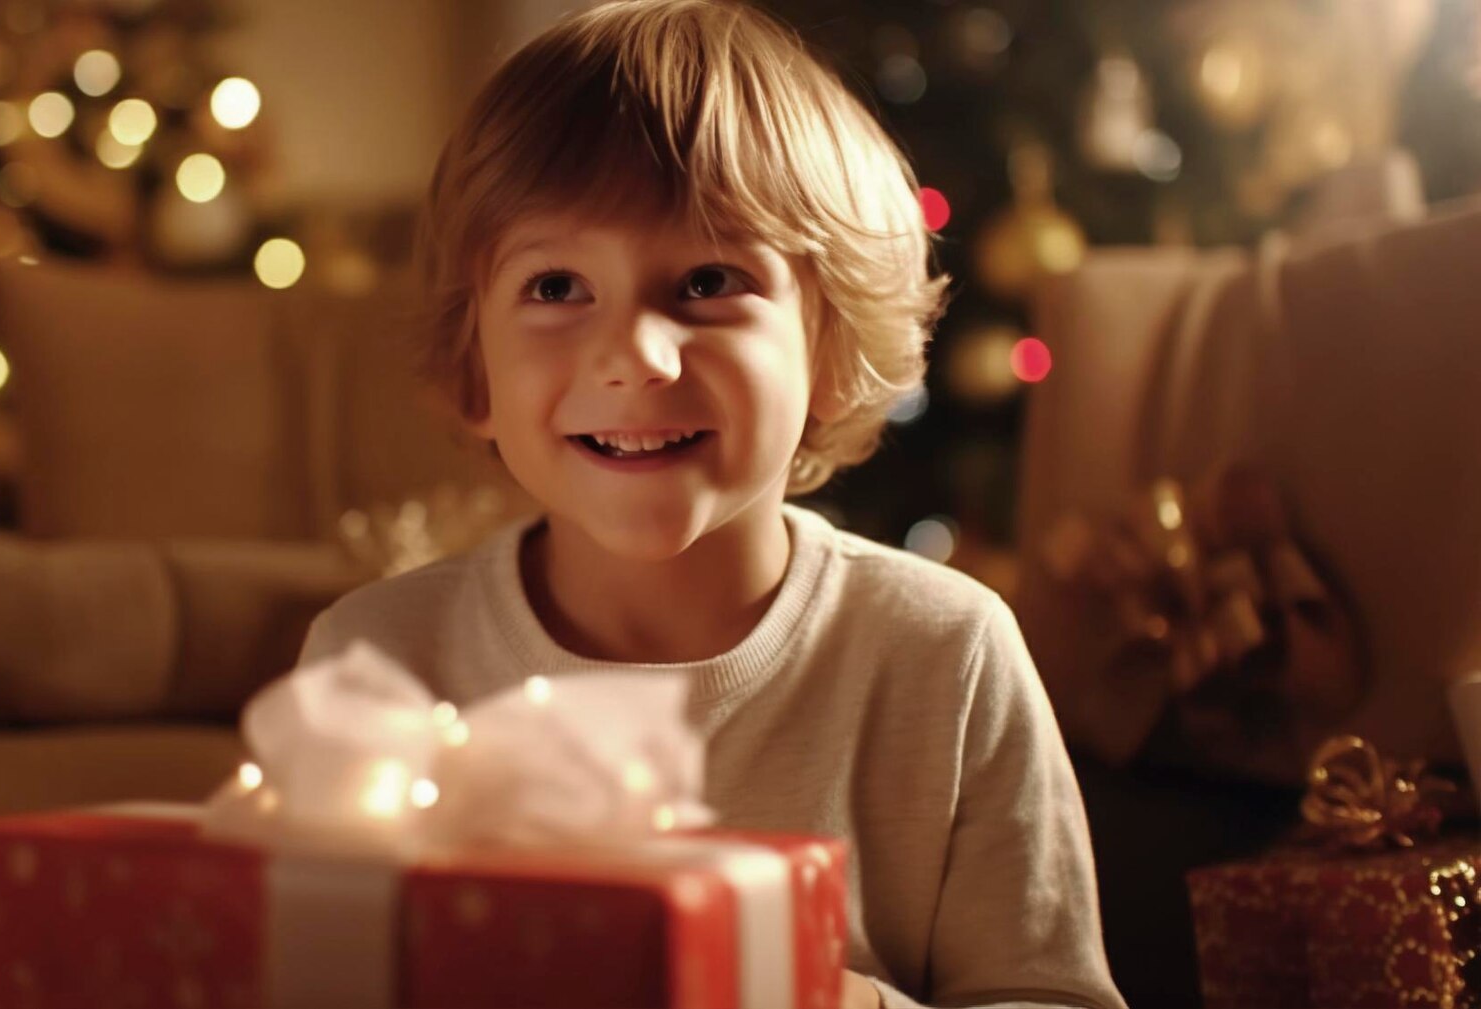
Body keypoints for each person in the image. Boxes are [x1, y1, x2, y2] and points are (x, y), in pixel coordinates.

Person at [296, 2, 1124, 1006]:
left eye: (706, 280)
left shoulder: (945, 654)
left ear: (829, 343)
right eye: (556, 286)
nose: (635, 355)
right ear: (476, 367)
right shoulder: (376, 662)